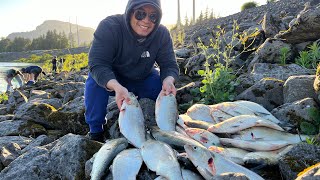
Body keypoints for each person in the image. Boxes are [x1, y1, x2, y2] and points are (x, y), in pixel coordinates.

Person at [85, 0, 179, 142]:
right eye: (140, 14)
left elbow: (169, 64)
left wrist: (168, 80)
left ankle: (164, 129)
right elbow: (97, 64)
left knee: (163, 90)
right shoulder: (109, 26)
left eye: (153, 16)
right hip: (114, 79)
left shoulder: (162, 34)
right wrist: (116, 87)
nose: (146, 21)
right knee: (94, 83)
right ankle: (96, 131)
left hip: (143, 76)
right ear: (130, 12)